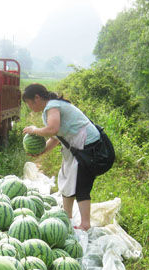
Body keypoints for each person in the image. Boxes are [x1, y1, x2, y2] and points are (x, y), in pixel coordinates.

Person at [22, 83, 101, 231]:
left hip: (87, 144)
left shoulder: (52, 106)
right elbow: (57, 137)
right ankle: (67, 216)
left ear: (37, 98)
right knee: (65, 178)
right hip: (76, 145)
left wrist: (35, 130)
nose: (30, 108)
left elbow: (53, 129)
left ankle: (85, 224)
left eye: (29, 104)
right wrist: (42, 151)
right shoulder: (51, 107)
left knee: (80, 183)